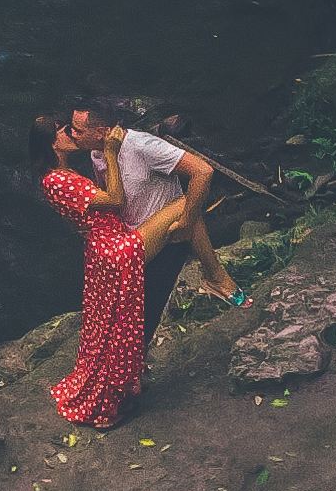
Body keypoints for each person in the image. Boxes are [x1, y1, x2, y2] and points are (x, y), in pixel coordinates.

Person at [72, 102, 237, 327]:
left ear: (101, 132)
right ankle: (216, 275)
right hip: (134, 235)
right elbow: (113, 197)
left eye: (78, 130)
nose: (72, 134)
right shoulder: (97, 154)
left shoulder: (142, 146)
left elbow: (203, 171)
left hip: (165, 237)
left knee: (143, 315)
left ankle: (217, 276)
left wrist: (186, 222)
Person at [32, 117, 148, 428]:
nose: (72, 134)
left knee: (108, 325)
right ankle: (111, 400)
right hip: (110, 248)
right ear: (54, 143)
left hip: (103, 244)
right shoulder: (58, 180)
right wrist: (110, 153)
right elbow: (115, 199)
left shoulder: (63, 173)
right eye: (65, 131)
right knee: (117, 325)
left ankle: (122, 385)